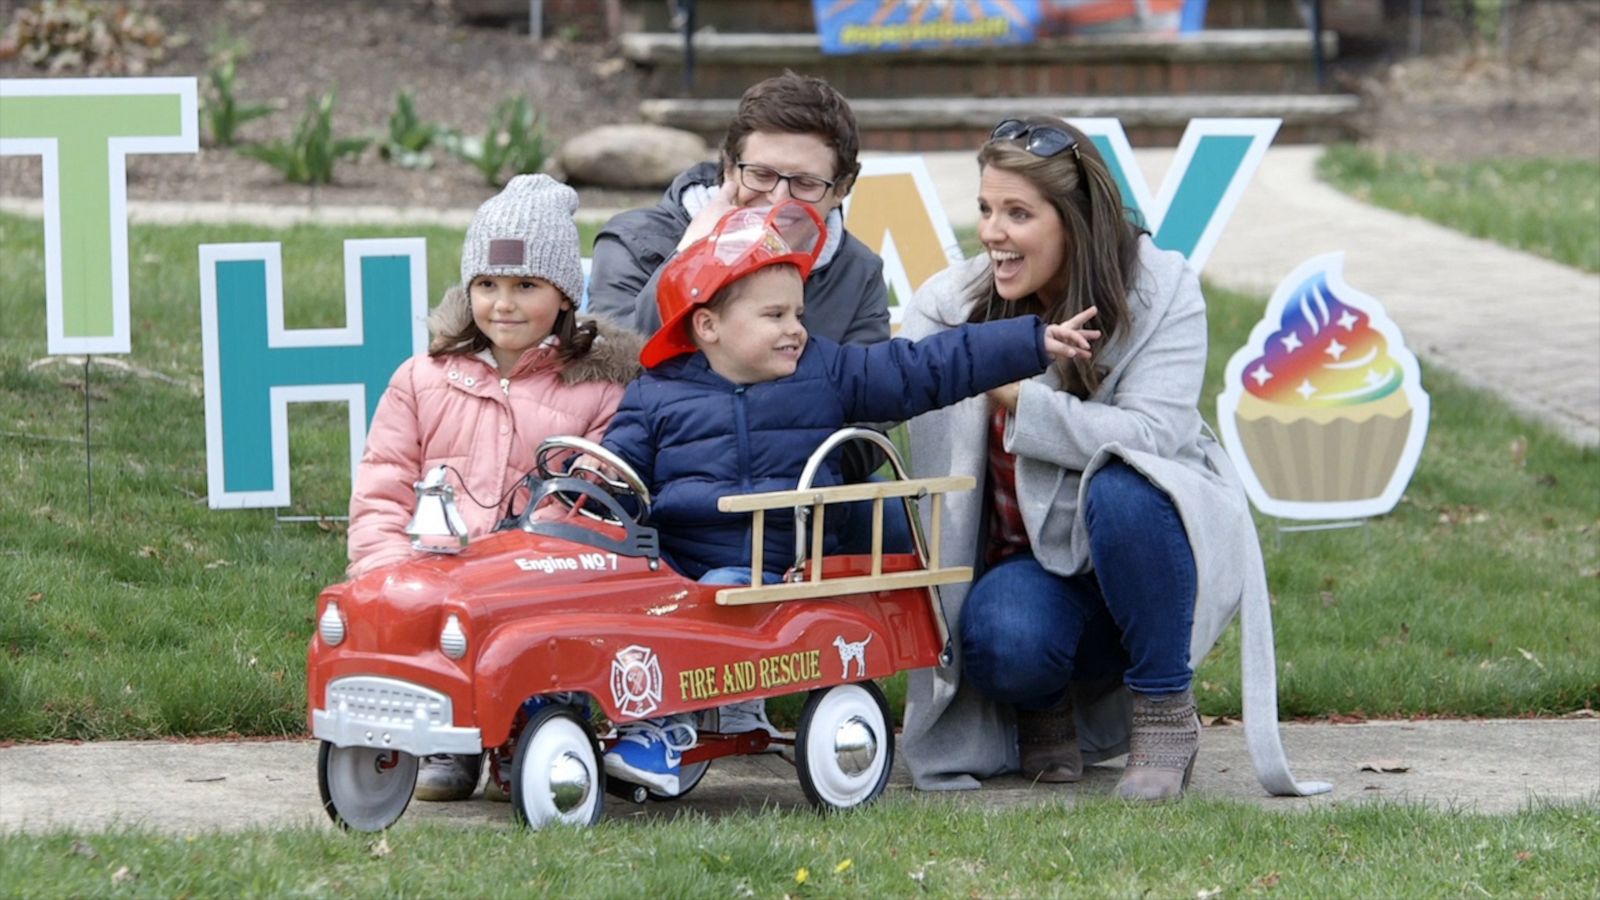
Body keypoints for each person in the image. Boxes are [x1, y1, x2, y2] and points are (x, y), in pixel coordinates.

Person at [594, 200, 1093, 795]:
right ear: (708, 326)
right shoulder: (657, 396)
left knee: (715, 595)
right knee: (627, 597)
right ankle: (609, 709)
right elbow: (614, 474)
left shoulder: (822, 371)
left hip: (774, 567)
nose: (796, 329)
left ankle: (664, 728)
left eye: (798, 313)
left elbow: (922, 368)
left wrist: (1030, 342)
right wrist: (587, 503)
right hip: (678, 562)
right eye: (774, 314)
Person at [897, 117, 1328, 802]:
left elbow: (1154, 437)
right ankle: (1046, 703)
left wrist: (1014, 393)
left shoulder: (1161, 291)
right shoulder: (952, 308)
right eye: (985, 209)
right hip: (1034, 570)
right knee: (1003, 640)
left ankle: (1163, 711)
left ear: (1074, 219)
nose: (992, 232)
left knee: (1123, 483)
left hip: (1149, 552)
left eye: (1017, 213)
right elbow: (887, 380)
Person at [587, 72, 897, 741]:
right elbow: (606, 375)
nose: (779, 199)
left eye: (807, 184)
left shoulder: (857, 272)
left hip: (792, 496)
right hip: (662, 489)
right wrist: (694, 255)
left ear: (842, 190)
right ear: (728, 167)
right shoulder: (638, 238)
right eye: (760, 174)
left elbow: (869, 430)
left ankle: (937, 693)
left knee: (905, 519)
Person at [347, 174, 643, 802]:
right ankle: (444, 746)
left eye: (525, 286)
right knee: (425, 639)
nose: (503, 304)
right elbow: (384, 482)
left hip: (534, 575)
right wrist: (382, 568)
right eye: (487, 284)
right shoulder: (423, 377)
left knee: (536, 648)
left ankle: (529, 738)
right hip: (433, 564)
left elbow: (589, 496)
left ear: (564, 296)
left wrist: (531, 565)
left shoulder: (599, 390)